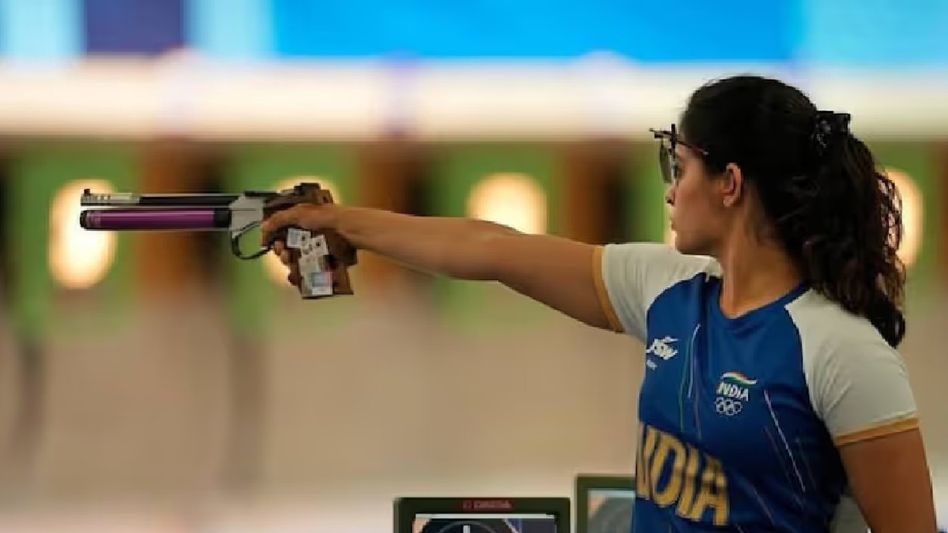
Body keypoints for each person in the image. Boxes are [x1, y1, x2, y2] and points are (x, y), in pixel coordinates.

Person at [262, 75, 936, 532]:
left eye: (682, 165)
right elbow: (490, 247)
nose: (671, 189)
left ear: (730, 183)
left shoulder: (839, 348)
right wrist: (344, 223)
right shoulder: (666, 287)